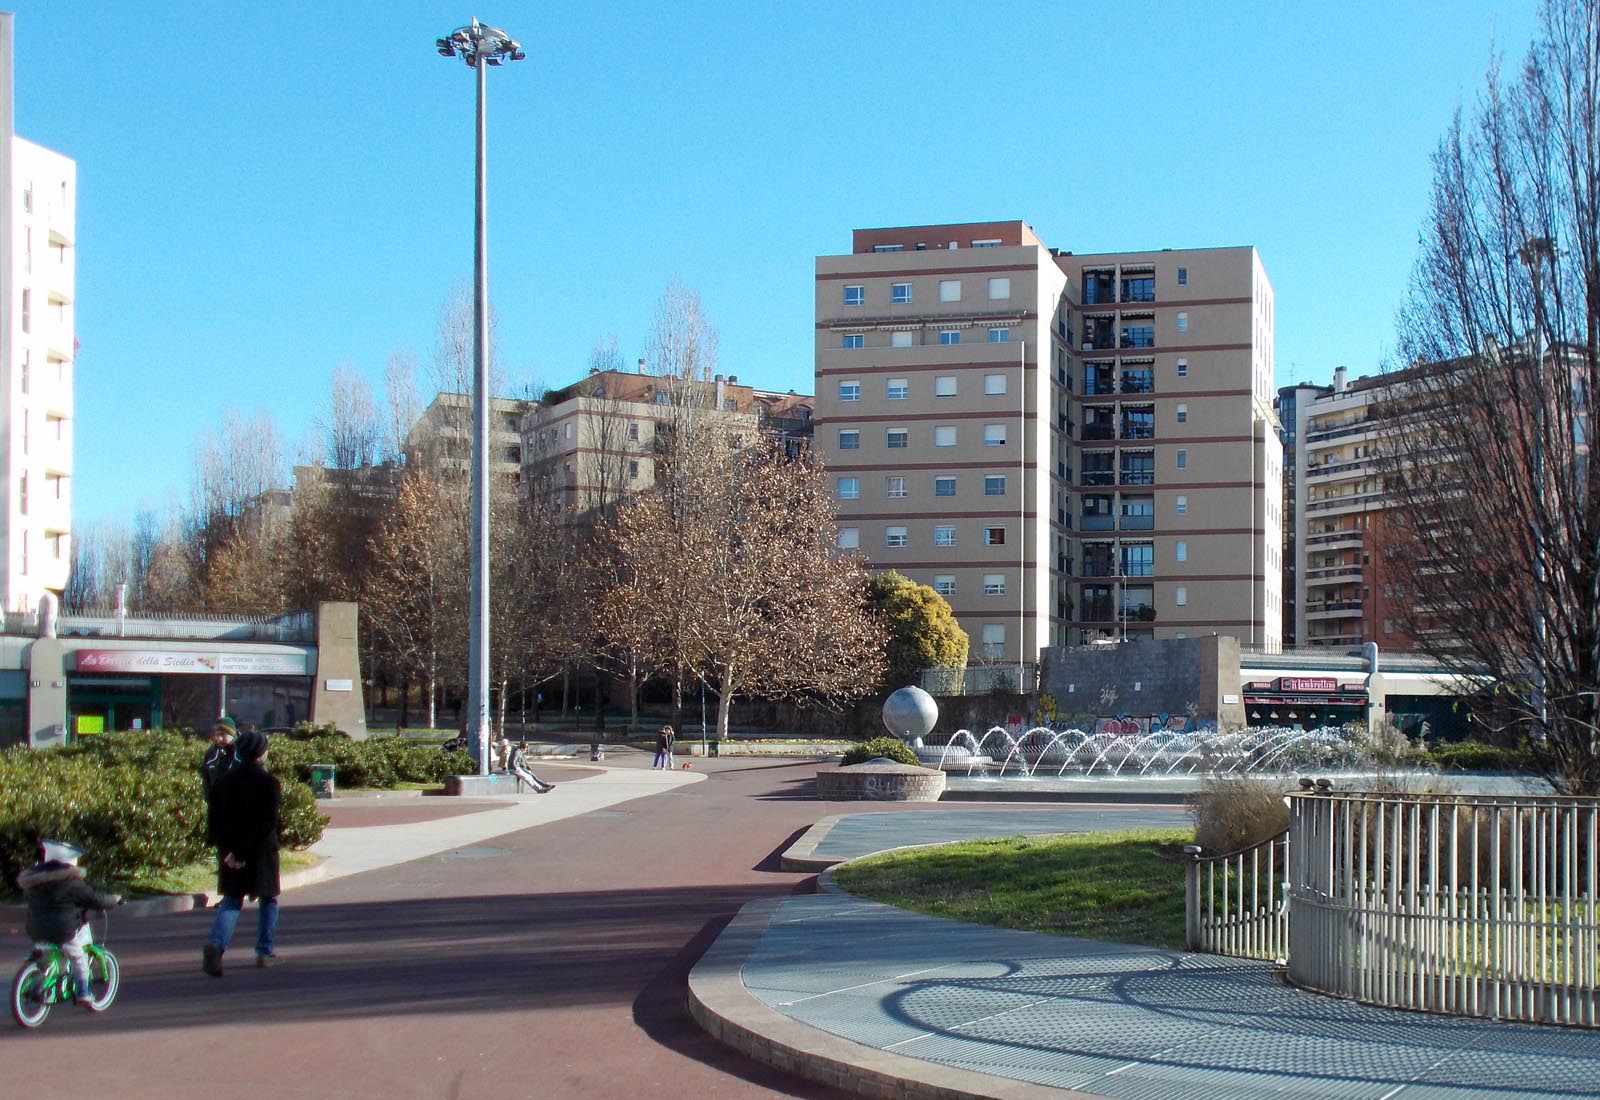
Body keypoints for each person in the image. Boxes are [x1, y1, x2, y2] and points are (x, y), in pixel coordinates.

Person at [202, 728, 281, 976]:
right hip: (261, 851)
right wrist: (244, 852)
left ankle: (217, 943)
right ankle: (264, 951)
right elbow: (267, 822)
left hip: (231, 850)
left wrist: (228, 852)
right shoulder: (268, 783)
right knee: (268, 899)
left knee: (231, 900)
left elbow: (214, 822)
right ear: (261, 753)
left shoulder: (223, 781)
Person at [19, 840, 121, 1004]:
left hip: (35, 928)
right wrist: (114, 900)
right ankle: (83, 992)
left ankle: (39, 977)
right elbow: (95, 899)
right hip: (62, 930)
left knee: (46, 952)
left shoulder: (33, 883)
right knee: (78, 956)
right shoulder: (72, 884)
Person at [199, 716, 238, 800]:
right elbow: (206, 778)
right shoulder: (211, 754)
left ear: (232, 734)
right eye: (217, 735)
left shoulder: (242, 752)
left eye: (223, 735)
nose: (219, 739)